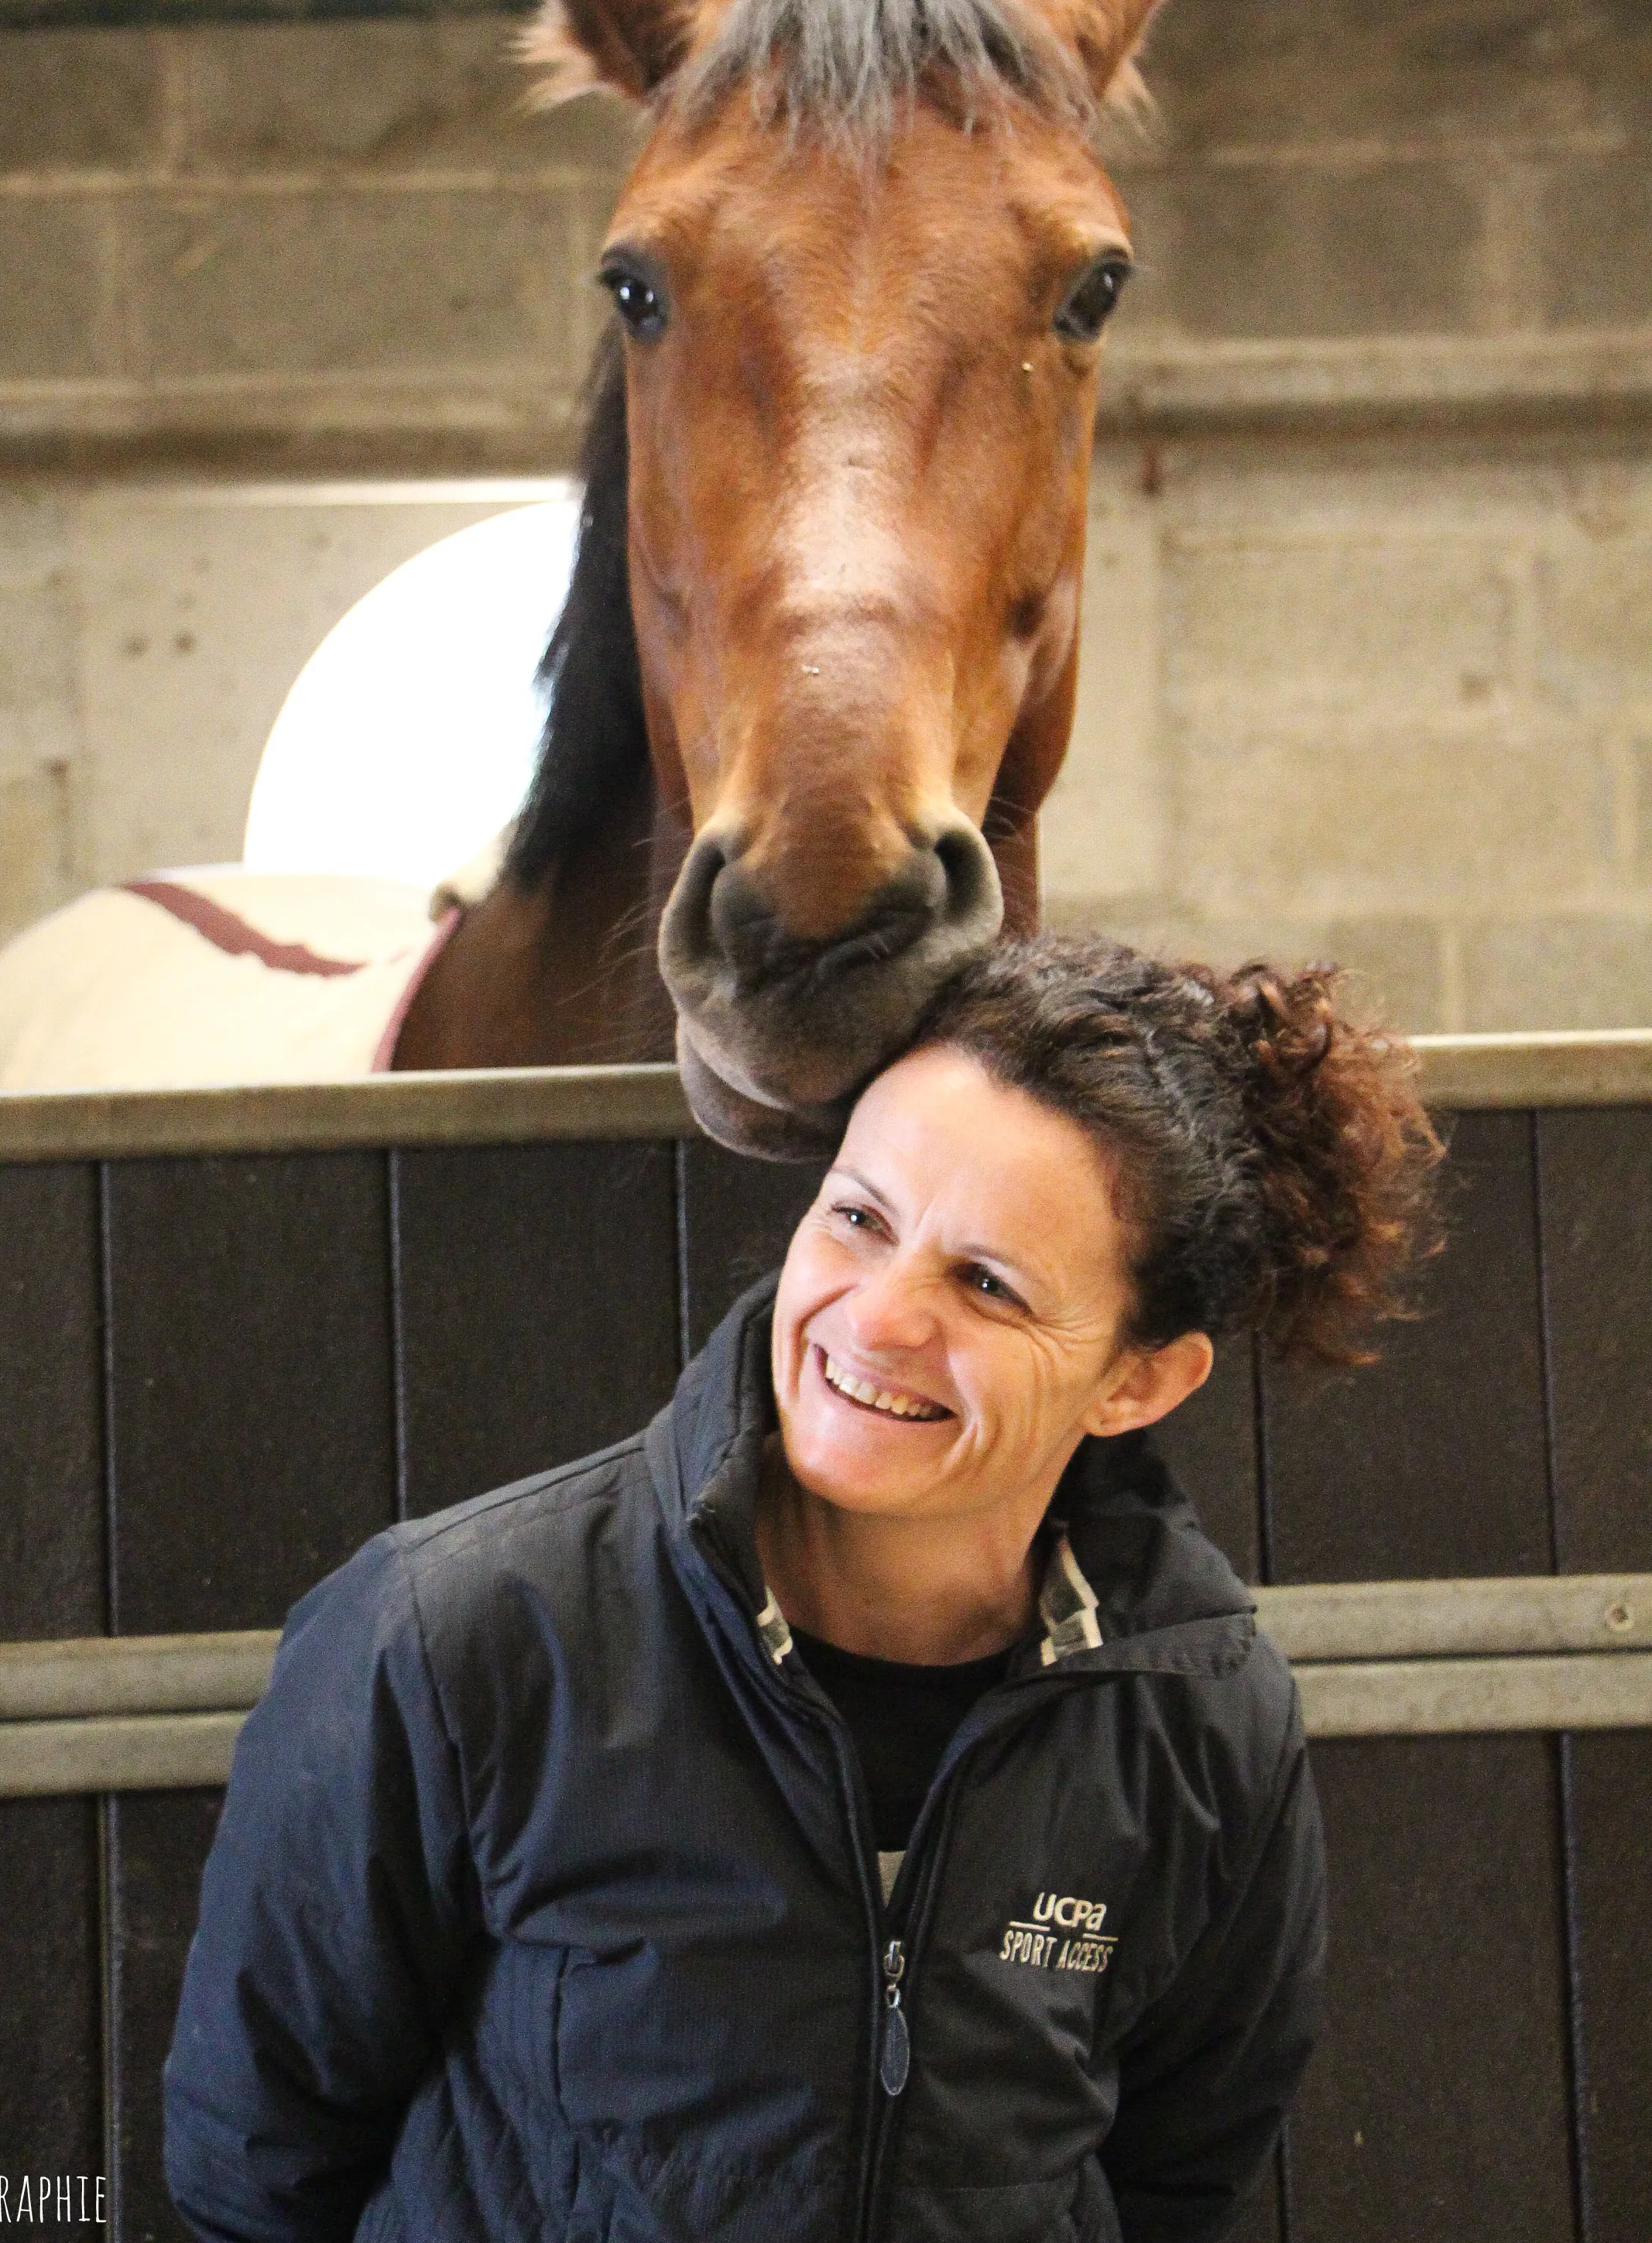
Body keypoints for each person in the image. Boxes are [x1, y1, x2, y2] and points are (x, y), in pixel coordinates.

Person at [164, 933, 1441, 2243]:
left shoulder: (1206, 1717)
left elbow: (1181, 2176)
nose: (878, 1316)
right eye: (859, 1217)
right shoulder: (458, 1635)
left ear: (1139, 1381)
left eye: (987, 1285)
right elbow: (256, 2172)